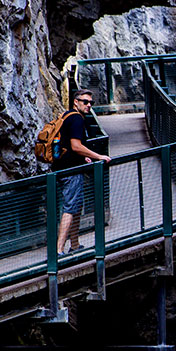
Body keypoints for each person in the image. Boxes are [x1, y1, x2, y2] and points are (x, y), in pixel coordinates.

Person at [56, 91, 111, 254]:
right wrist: (98, 156)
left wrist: (84, 158)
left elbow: (69, 146)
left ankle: (74, 244)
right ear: (75, 102)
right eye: (85, 102)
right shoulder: (77, 119)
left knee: (76, 205)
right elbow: (76, 146)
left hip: (63, 166)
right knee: (70, 207)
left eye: (90, 103)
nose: (88, 105)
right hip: (70, 170)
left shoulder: (66, 115)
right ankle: (58, 250)